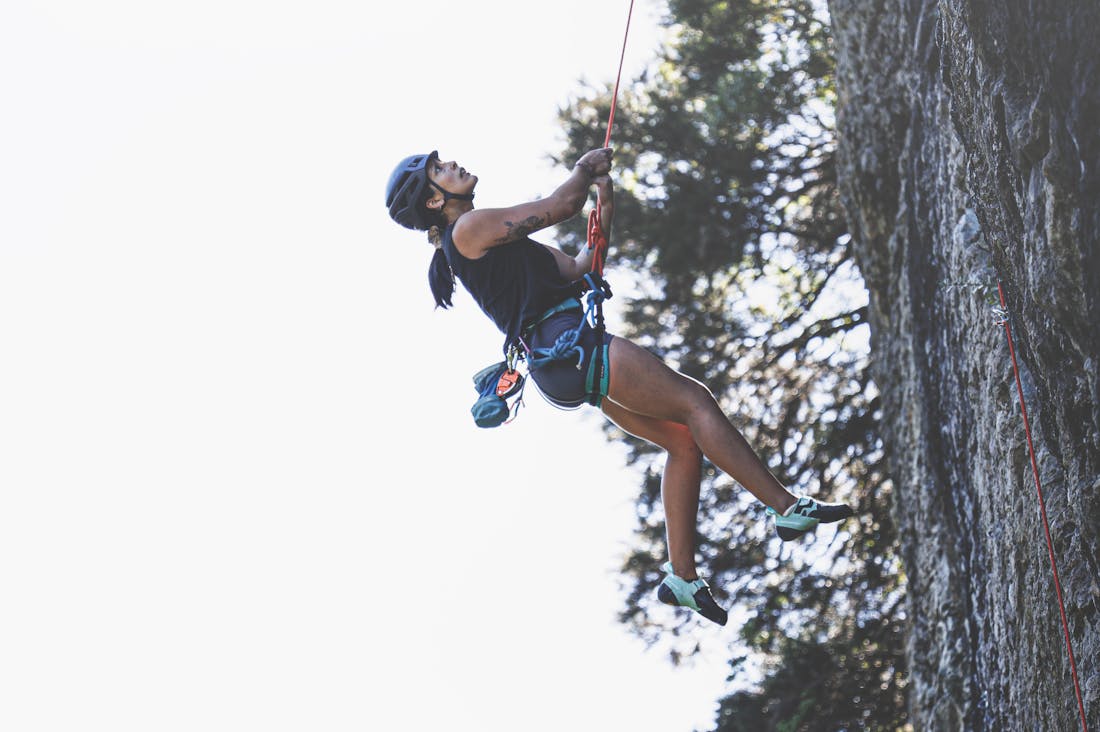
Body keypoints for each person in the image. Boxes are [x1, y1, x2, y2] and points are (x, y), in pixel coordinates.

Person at [384, 147, 853, 626]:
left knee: (683, 442)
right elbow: (562, 204)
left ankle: (682, 577)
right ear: (434, 201)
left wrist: (604, 206)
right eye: (439, 170)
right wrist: (585, 170)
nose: (453, 165)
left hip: (563, 361)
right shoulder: (468, 228)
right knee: (695, 402)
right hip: (570, 344)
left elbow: (580, 269)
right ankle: (785, 507)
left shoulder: (491, 240)